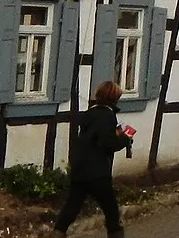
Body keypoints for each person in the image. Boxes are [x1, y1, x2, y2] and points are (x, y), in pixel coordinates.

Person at [54, 80, 132, 238]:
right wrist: (125, 139)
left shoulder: (89, 113)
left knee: (72, 206)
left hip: (80, 168)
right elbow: (108, 143)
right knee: (111, 210)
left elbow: (93, 136)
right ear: (114, 98)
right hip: (97, 171)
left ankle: (57, 233)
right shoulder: (107, 115)